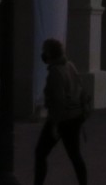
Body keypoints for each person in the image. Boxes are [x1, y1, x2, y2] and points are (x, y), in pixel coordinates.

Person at [33, 38, 87, 185]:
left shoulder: (55, 72)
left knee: (40, 152)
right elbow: (81, 88)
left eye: (44, 51)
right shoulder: (70, 66)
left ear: (49, 53)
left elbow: (58, 100)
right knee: (75, 155)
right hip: (75, 116)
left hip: (62, 118)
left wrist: (55, 124)